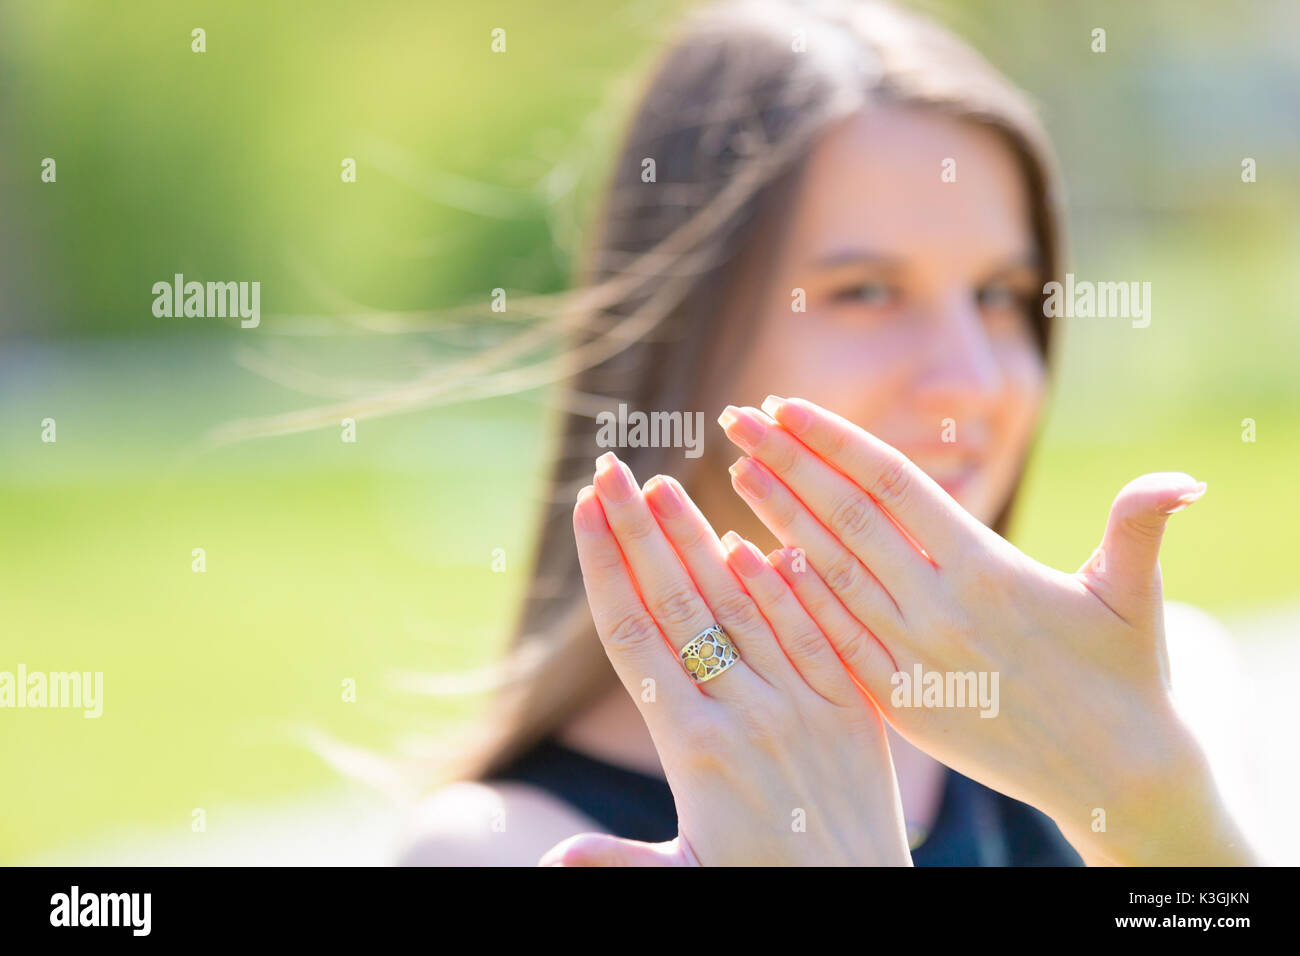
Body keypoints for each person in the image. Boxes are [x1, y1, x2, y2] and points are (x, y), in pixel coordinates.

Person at [398, 0, 1255, 866]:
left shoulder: (1165, 697)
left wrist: (1162, 819)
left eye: (999, 295)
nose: (975, 381)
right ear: (684, 333)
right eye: (866, 292)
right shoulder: (508, 846)